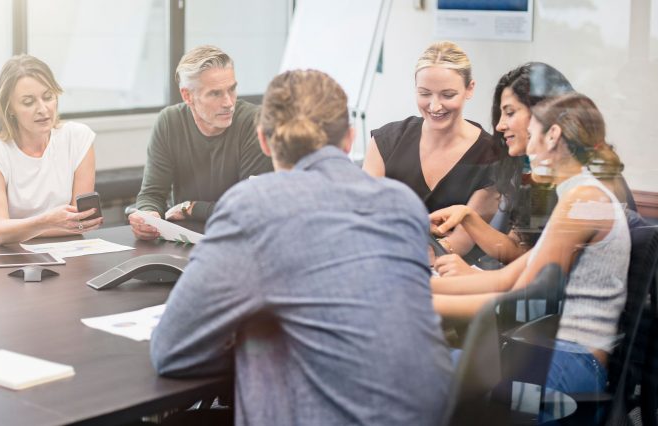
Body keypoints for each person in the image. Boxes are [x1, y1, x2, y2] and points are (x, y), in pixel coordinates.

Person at [151, 69, 453, 425]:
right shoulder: (402, 203)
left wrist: (247, 338)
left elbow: (172, 351)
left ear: (264, 141)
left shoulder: (255, 204)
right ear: (349, 140)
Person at [432, 93, 631, 398]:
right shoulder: (577, 196)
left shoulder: (584, 200)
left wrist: (418, 302)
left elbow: (518, 299)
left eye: (532, 134)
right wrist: (421, 286)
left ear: (553, 135)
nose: (526, 148)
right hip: (557, 355)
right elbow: (507, 278)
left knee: (425, 373)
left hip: (571, 364)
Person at [429, 62, 573, 276]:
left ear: (544, 114)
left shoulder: (578, 186)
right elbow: (519, 250)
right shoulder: (538, 177)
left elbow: (543, 278)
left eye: (510, 113)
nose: (499, 126)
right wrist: (467, 217)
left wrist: (474, 277)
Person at [362, 41, 500, 257]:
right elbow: (366, 219)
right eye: (425, 94)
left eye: (447, 95)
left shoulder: (491, 156)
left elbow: (460, 242)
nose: (435, 106)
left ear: (469, 89)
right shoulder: (385, 142)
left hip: (454, 275)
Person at [129, 45, 273, 240]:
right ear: (187, 96)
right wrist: (148, 216)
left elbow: (247, 210)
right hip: (185, 240)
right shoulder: (169, 122)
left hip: (240, 239)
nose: (228, 102)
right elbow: (152, 194)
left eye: (232, 89)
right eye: (215, 93)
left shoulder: (253, 123)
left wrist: (193, 208)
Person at [0, 54, 102, 246]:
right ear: (9, 108)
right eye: (28, 102)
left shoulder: (79, 138)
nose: (43, 109)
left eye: (48, 97)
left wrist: (20, 231)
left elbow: (80, 222)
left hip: (59, 244)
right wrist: (49, 222)